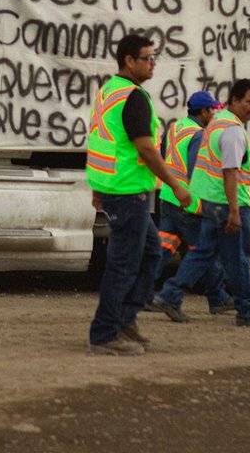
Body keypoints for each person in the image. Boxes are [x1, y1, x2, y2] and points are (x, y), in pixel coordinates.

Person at [86, 34, 192, 356]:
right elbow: (145, 148)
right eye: (147, 58)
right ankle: (104, 334)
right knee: (123, 265)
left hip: (119, 189)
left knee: (149, 253)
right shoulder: (132, 96)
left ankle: (125, 319)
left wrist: (98, 188)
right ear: (129, 61)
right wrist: (175, 184)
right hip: (127, 191)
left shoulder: (110, 90)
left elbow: (102, 140)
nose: (152, 64)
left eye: (153, 58)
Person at [152, 78, 250, 327]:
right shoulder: (232, 130)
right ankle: (248, 310)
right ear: (234, 101)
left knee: (203, 252)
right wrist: (233, 210)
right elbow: (230, 171)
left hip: (211, 202)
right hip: (229, 204)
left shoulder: (217, 123)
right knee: (238, 258)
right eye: (249, 102)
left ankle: (170, 295)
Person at [146, 91, 235, 317]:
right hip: (187, 201)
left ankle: (143, 293)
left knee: (163, 248)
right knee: (204, 252)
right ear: (203, 112)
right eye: (212, 110)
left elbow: (165, 154)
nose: (214, 115)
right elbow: (198, 169)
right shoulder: (198, 135)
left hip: (168, 196)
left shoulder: (176, 127)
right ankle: (212, 298)